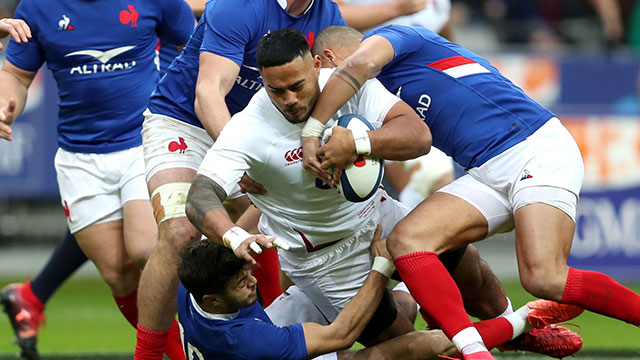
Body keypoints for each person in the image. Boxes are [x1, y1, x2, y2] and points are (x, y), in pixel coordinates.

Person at [186, 28, 582, 358]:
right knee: (404, 345)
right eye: (277, 92)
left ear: (317, 66)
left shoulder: (346, 86)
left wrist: (360, 145)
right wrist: (233, 235)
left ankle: (518, 331)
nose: (289, 100)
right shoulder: (249, 130)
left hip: (380, 215)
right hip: (328, 259)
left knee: (473, 275)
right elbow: (200, 196)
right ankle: (510, 326)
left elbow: (418, 136)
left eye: (297, 86)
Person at [300, 24, 640, 359]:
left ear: (331, 58)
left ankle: (516, 327)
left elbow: (358, 66)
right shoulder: (376, 99)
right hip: (485, 170)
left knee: (543, 277)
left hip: (532, 147)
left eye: (327, 74)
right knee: (408, 241)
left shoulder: (395, 37)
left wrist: (312, 131)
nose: (329, 88)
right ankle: (478, 351)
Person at [134, 1, 347, 358]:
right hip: (185, 121)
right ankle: (148, 354)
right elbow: (207, 93)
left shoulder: (329, 16)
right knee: (180, 232)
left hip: (262, 133)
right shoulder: (239, 6)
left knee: (287, 223)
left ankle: (261, 333)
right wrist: (239, 159)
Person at [0, 1, 195, 359]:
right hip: (79, 158)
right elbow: (17, 75)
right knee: (118, 274)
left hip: (146, 137)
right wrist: (5, 103)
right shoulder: (37, 7)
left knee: (146, 248)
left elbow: (196, 48)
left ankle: (201, 346)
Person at [177, 236, 581, 359]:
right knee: (392, 354)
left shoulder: (193, 283)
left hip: (259, 328)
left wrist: (245, 222)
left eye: (245, 270)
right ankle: (525, 320)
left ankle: (432, 302)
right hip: (264, 350)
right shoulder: (248, 342)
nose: (252, 281)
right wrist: (381, 266)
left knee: (397, 309)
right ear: (212, 300)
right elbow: (340, 336)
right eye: (240, 282)